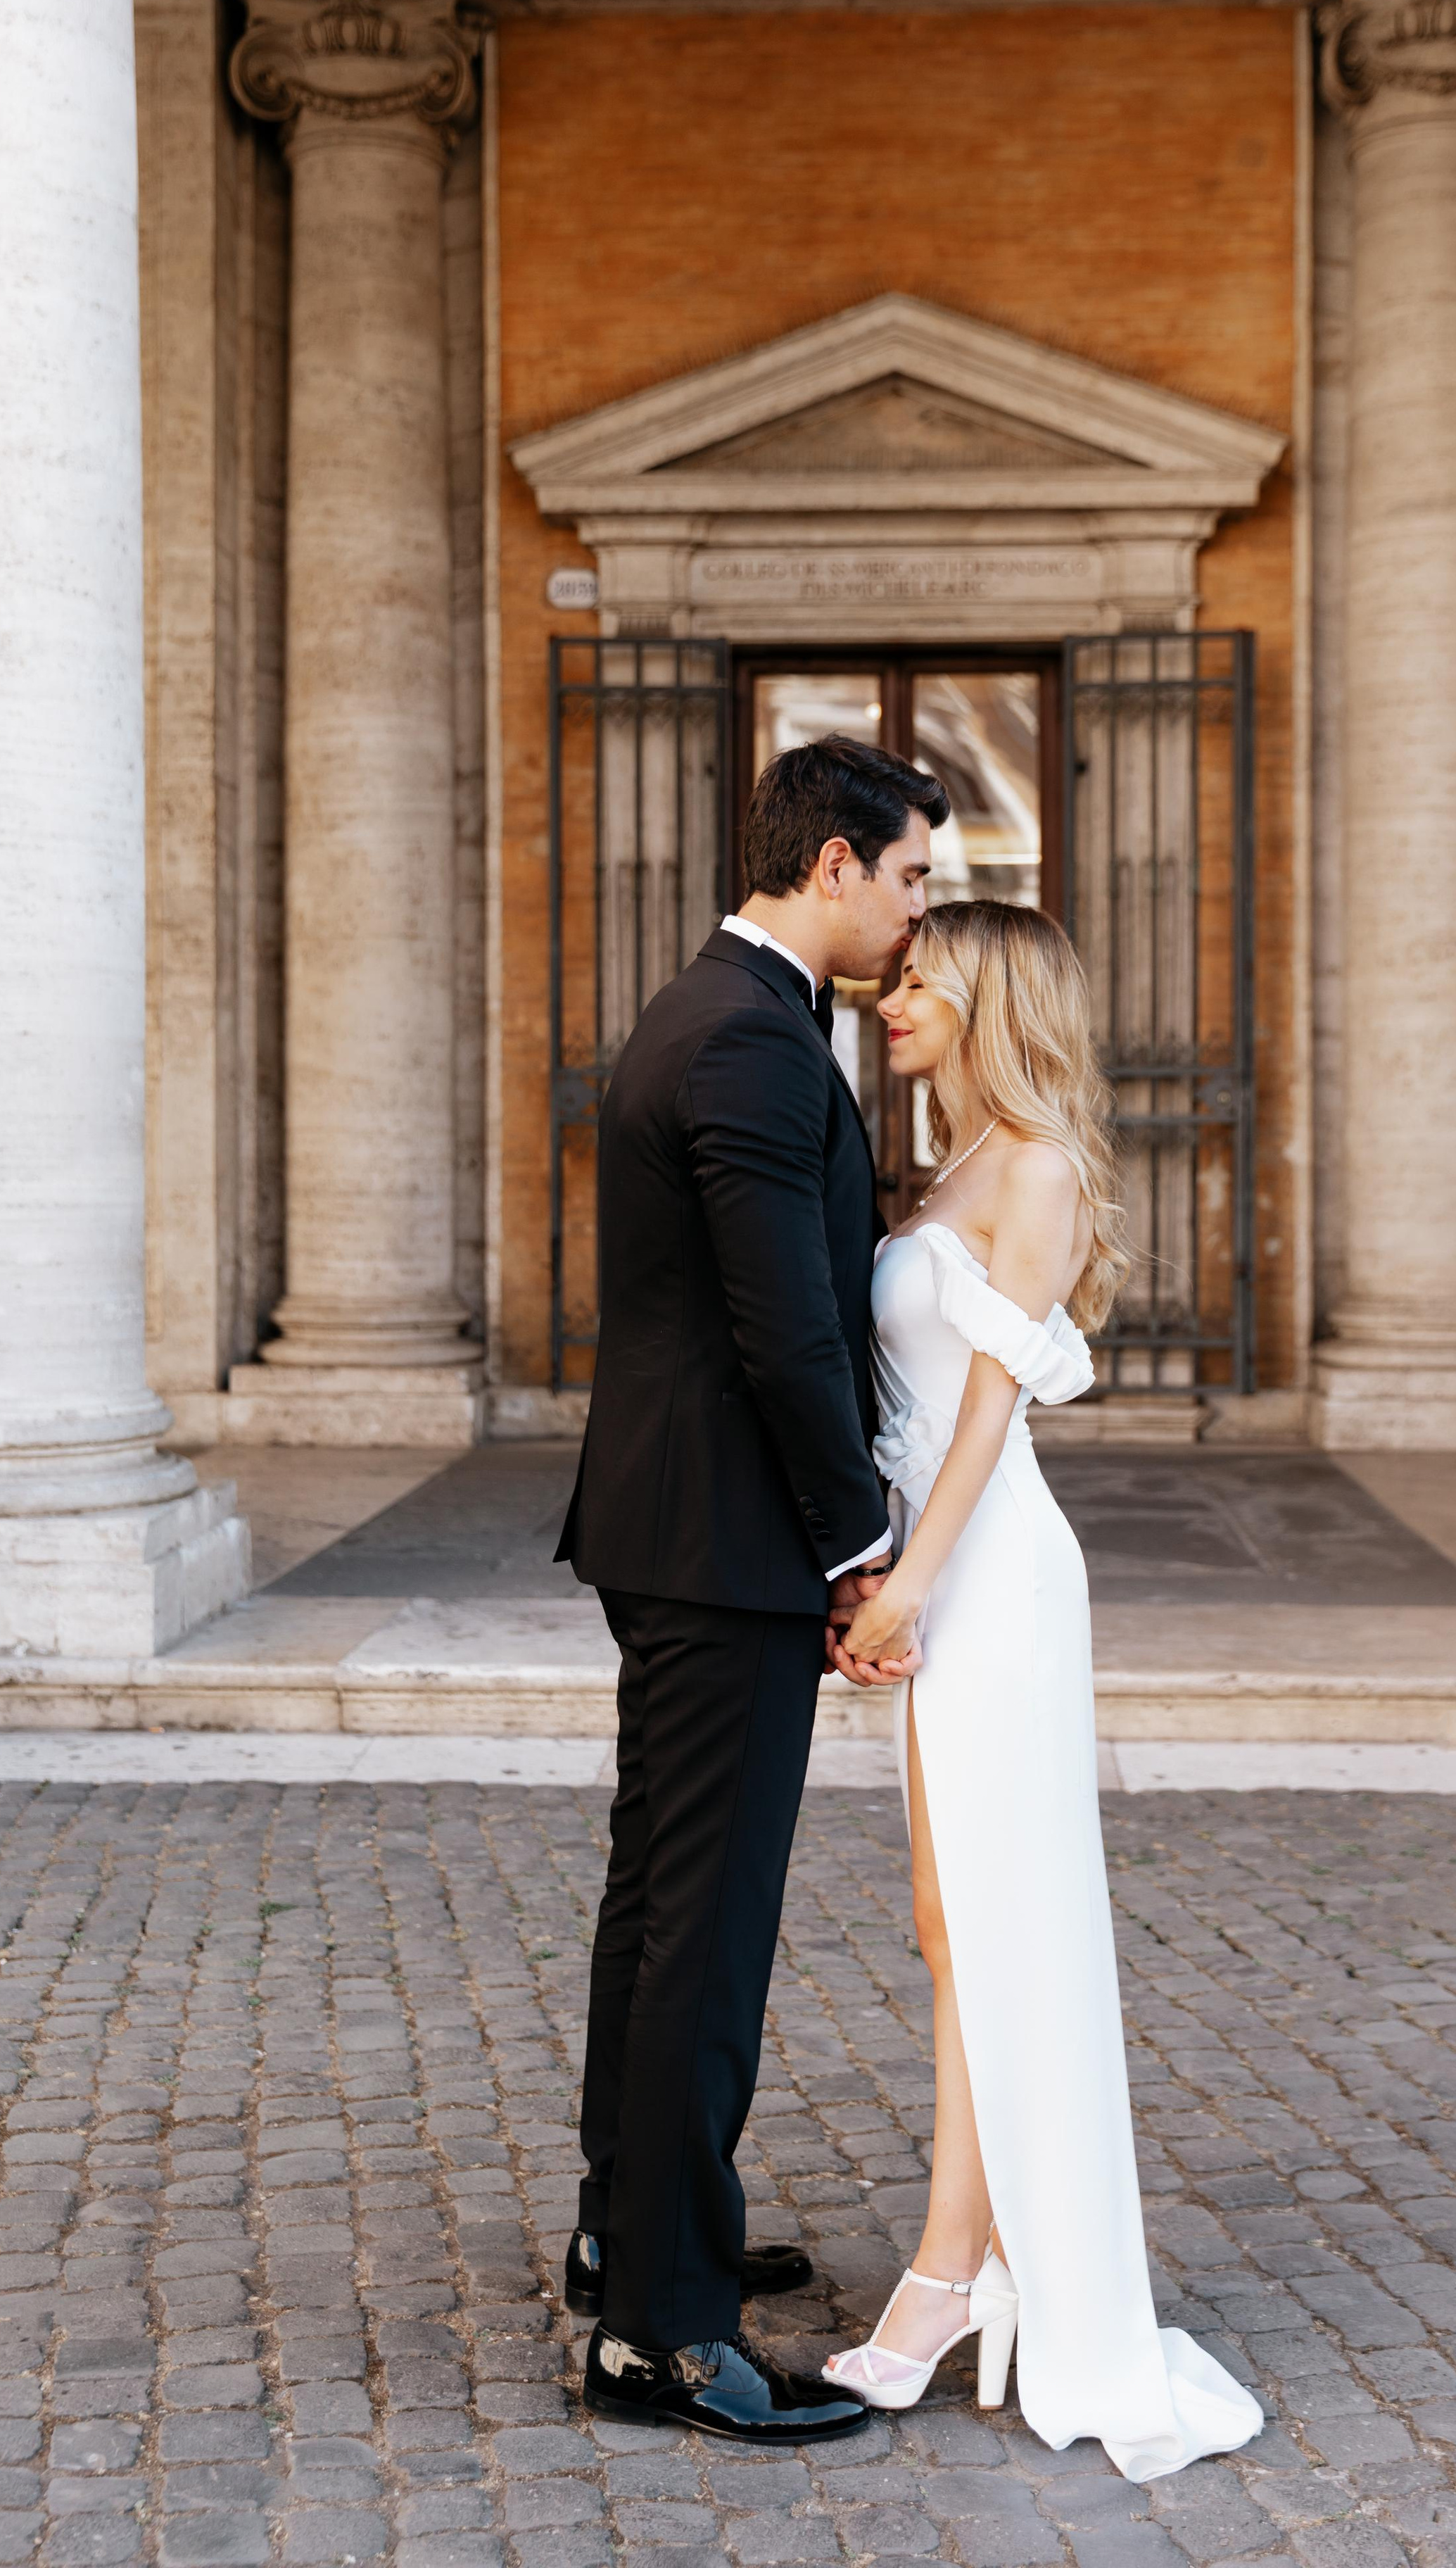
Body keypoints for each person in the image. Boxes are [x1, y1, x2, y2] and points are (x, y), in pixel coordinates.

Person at [821, 898, 1266, 2482]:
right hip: (934, 1562)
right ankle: (976, 2255)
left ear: (988, 997)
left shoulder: (1037, 1171)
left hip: (990, 1572)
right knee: (951, 1924)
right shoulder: (942, 1167)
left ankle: (952, 2275)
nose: (890, 996)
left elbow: (988, 1418)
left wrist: (913, 1584)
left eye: (919, 980)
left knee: (989, 1920)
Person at [554, 734, 948, 2445]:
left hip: (677, 1530)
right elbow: (784, 1332)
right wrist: (859, 1535)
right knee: (701, 1938)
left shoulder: (723, 1014)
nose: (924, 907)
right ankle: (660, 2333)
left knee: (659, 1905)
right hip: (722, 1548)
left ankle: (631, 2234)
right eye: (916, 872)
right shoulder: (751, 1042)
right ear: (838, 863)